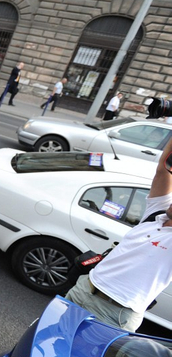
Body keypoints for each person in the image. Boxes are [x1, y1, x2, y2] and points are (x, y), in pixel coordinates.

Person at [65, 136, 172, 332]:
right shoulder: (157, 213)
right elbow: (163, 169)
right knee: (48, 342)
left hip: (115, 313)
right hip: (85, 288)